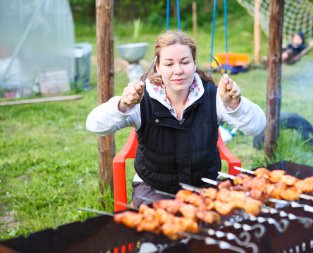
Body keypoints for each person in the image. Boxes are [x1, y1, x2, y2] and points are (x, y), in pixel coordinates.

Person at [86, 30, 266, 208]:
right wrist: (123, 105)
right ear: (157, 67)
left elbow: (257, 126)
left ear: (194, 64)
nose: (178, 70)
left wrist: (235, 106)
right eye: (169, 64)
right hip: (153, 188)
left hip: (204, 188)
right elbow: (94, 124)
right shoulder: (141, 100)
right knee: (159, 232)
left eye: (185, 62)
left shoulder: (215, 97)